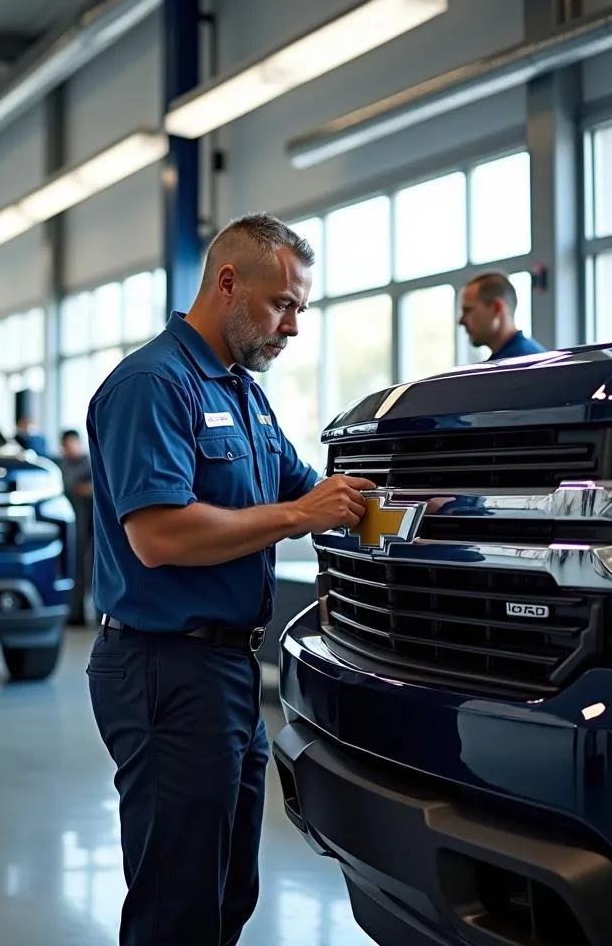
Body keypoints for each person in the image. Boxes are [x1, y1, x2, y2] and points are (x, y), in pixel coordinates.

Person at [85, 213, 376, 945]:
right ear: (227, 283)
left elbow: (314, 491)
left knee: (227, 892)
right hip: (163, 668)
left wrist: (428, 505)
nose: (294, 328)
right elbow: (160, 534)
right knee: (177, 903)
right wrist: (296, 516)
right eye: (283, 305)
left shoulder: (243, 394)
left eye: (300, 310)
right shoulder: (154, 385)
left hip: (227, 671)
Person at [459, 272, 545, 360]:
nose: (461, 321)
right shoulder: (508, 362)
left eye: (468, 310)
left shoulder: (525, 364)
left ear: (496, 308)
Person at [58, 429, 93, 626]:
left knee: (89, 567)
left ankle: (94, 614)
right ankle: (74, 613)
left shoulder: (90, 464)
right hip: (71, 527)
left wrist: (88, 490)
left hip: (88, 525)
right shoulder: (61, 464)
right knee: (74, 568)